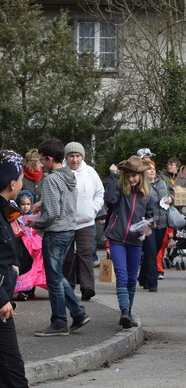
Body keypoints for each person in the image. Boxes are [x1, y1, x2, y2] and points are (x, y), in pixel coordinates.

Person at [32, 138, 89, 337]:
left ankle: (59, 322)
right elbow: (63, 202)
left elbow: (53, 213)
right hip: (68, 231)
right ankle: (78, 313)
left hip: (55, 233)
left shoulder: (50, 180)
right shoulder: (69, 175)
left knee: (54, 279)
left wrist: (36, 223)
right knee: (57, 275)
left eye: (42, 159)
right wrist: (43, 204)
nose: (41, 163)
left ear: (49, 159)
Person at [104, 156, 157, 328]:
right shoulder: (120, 190)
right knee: (122, 274)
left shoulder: (147, 196)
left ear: (140, 176)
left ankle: (128, 311)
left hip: (136, 240)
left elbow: (151, 217)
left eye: (134, 176)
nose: (132, 179)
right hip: (117, 237)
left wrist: (148, 226)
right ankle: (125, 311)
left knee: (132, 278)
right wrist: (113, 177)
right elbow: (109, 200)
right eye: (128, 176)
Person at [0, 150, 29, 385]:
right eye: (20, 179)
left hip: (5, 297)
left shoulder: (7, 209)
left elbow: (16, 245)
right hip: (1, 304)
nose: (22, 184)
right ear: (12, 184)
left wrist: (16, 266)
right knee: (13, 370)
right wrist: (1, 299)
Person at [62, 142, 104, 302]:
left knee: (85, 253)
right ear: (66, 157)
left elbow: (100, 192)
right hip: (65, 222)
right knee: (67, 256)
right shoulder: (62, 173)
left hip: (86, 221)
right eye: (71, 156)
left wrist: (93, 209)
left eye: (77, 156)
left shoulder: (90, 172)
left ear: (82, 157)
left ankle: (87, 287)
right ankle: (68, 285)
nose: (75, 159)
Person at [140, 160, 170, 292]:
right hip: (149, 224)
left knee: (153, 251)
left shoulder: (162, 183)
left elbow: (169, 195)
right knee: (151, 252)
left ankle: (143, 278)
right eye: (149, 169)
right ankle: (153, 283)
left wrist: (171, 199)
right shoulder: (142, 185)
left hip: (162, 223)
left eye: (153, 168)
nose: (152, 171)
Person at [13, 190, 46, 302]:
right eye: (23, 204)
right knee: (24, 267)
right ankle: (23, 289)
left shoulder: (35, 216)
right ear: (18, 204)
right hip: (21, 244)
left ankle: (30, 289)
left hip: (34, 244)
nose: (26, 207)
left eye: (28, 204)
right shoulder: (16, 217)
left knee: (36, 266)